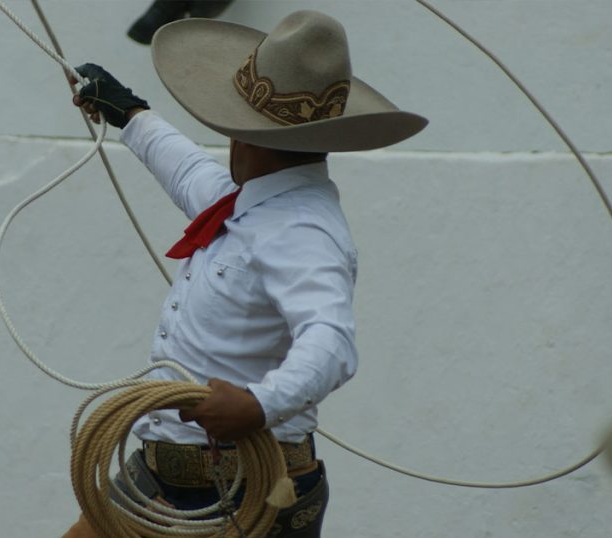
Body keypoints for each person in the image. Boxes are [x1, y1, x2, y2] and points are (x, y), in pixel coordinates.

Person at [63, 10, 426, 537]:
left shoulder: (302, 230)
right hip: (170, 484)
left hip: (244, 495)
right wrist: (131, 115)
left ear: (242, 136)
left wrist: (259, 404)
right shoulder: (259, 202)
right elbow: (190, 173)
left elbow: (330, 341)